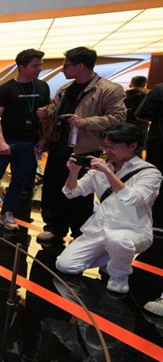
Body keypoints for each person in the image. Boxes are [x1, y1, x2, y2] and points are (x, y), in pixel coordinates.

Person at [55, 124, 162, 293]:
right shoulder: (101, 168)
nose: (107, 151)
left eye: (113, 147)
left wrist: (107, 172)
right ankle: (112, 258)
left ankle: (119, 275)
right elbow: (71, 192)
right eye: (105, 146)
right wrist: (74, 172)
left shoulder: (149, 173)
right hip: (100, 229)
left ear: (133, 146)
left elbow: (131, 198)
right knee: (65, 265)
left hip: (132, 231)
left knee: (118, 241)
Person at [36, 47, 127, 243]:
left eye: (66, 65)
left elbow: (119, 117)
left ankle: (80, 232)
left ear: (80, 66)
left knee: (81, 192)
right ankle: (54, 227)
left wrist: (84, 122)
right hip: (59, 145)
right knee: (53, 188)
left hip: (85, 148)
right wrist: (47, 113)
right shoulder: (66, 89)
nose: (62, 69)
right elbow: (56, 111)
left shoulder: (108, 90)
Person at [0, 49, 50, 230]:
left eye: (40, 65)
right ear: (21, 67)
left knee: (19, 180)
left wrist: (44, 140)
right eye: (35, 66)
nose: (40, 69)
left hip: (30, 143)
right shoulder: (6, 89)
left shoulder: (43, 87)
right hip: (7, 142)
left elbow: (46, 116)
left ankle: (7, 213)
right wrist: (1, 141)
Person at [136, 82, 163, 234]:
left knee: (155, 182)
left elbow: (141, 115)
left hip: (159, 143)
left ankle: (154, 222)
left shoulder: (159, 89)